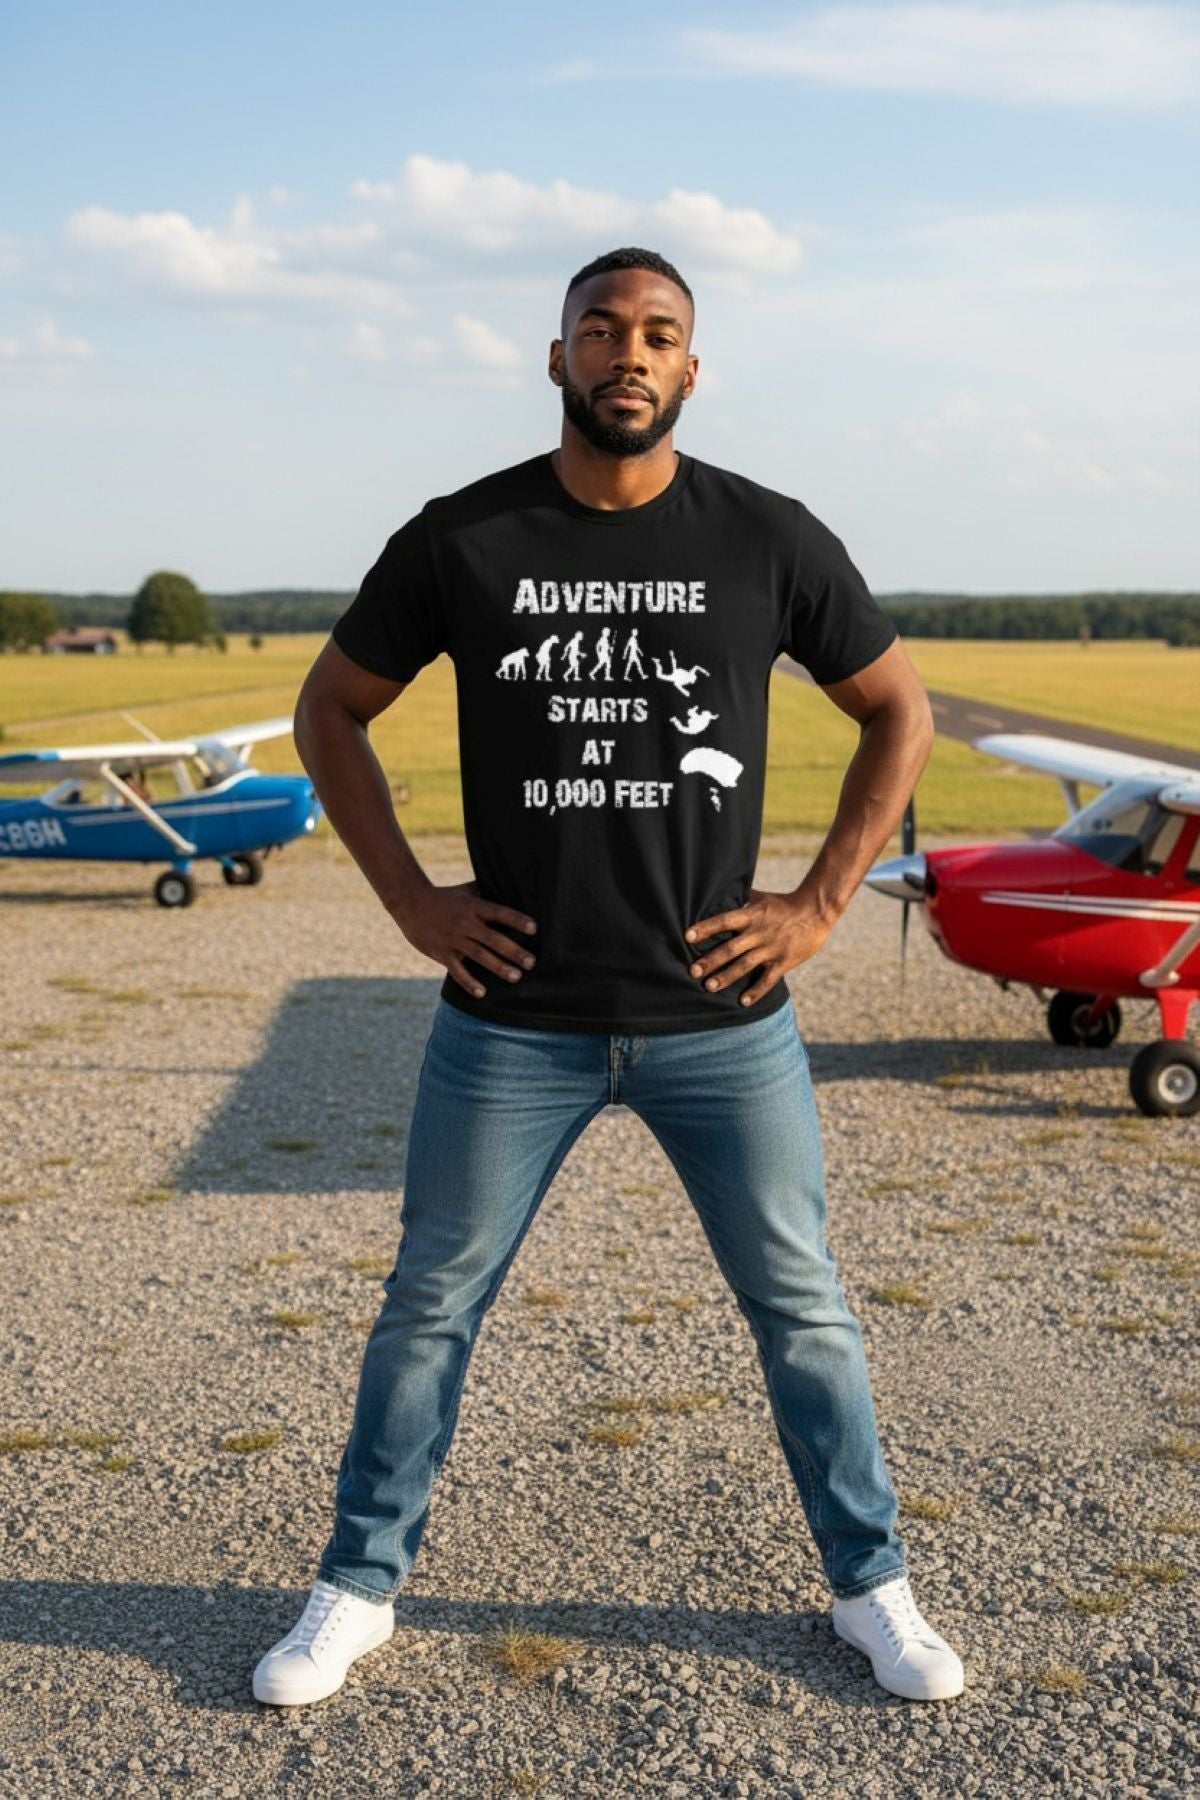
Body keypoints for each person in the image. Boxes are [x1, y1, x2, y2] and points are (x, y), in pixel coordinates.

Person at [253, 247, 963, 1709]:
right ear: (559, 357)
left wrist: (820, 905)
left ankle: (871, 1588)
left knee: (806, 1309)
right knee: (428, 1305)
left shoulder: (766, 538)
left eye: (659, 335)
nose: (628, 353)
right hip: (511, 1021)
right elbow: (331, 709)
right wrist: (410, 901)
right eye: (601, 330)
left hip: (726, 1024)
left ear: (691, 369)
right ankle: (355, 1588)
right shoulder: (467, 537)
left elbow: (900, 709)